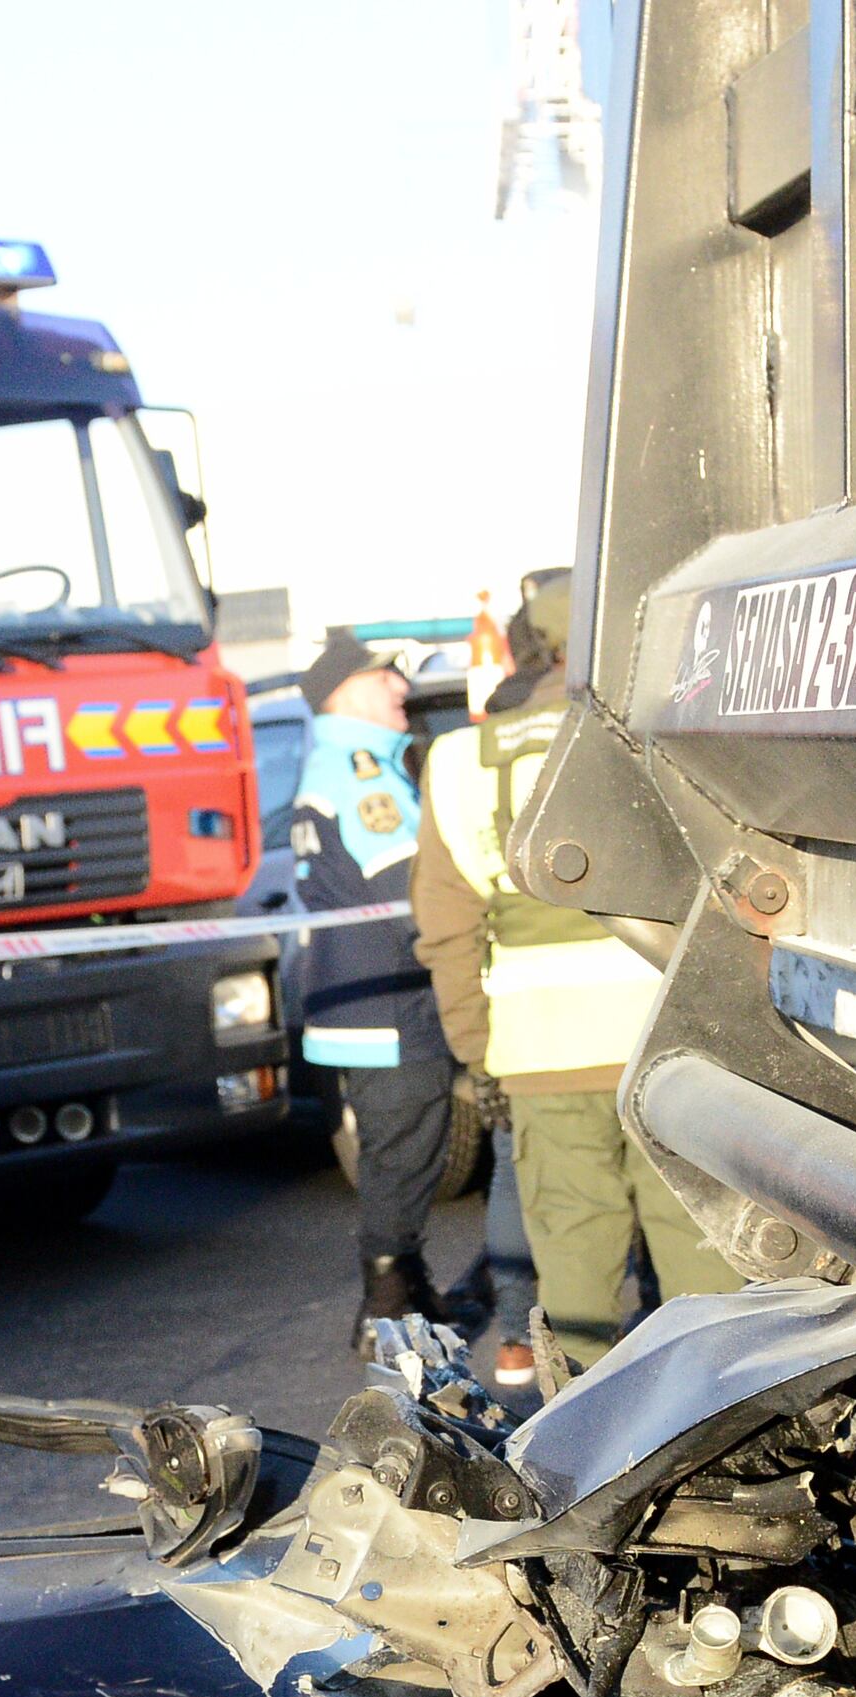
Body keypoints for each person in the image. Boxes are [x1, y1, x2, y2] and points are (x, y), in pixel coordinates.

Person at [418, 567, 728, 1383]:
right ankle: (731, 1432)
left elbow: (448, 932)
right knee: (705, 1261)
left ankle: (589, 1464)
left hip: (543, 1057)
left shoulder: (459, 760)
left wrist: (478, 1054)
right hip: (673, 1042)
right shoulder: (655, 729)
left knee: (577, 1273)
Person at [288, 644, 457, 1333]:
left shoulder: (352, 761)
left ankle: (405, 1285)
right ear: (344, 692)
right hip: (387, 1002)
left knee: (405, 1147)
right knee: (405, 1149)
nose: (401, 685)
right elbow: (407, 888)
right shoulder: (362, 772)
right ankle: (386, 1305)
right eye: (384, 675)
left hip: (362, 995)